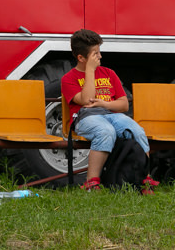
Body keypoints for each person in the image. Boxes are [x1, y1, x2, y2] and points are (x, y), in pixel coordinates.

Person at [60, 29, 158, 193]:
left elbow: (124, 105)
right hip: (85, 118)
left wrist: (104, 104)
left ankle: (143, 180)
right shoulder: (69, 79)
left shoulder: (109, 73)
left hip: (111, 113)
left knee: (137, 130)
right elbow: (85, 100)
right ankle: (92, 183)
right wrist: (90, 71)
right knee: (105, 131)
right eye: (95, 54)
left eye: (99, 52)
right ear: (81, 58)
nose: (100, 57)